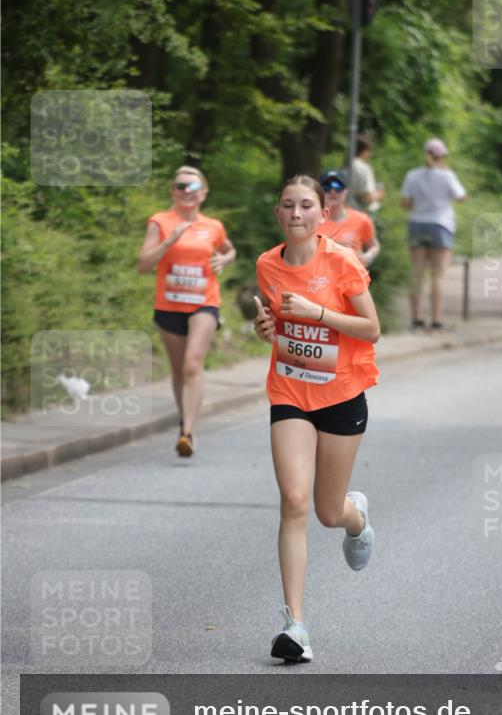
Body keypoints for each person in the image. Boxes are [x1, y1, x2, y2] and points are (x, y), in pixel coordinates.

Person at [253, 175, 380, 662]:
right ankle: (295, 625)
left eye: (307, 205)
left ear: (321, 215)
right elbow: (274, 324)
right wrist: (264, 325)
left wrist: (318, 313)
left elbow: (371, 329)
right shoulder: (268, 264)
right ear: (279, 214)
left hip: (342, 394)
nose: (297, 213)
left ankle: (356, 517)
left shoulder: (341, 262)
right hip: (290, 391)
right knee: (293, 500)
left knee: (328, 512)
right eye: (288, 205)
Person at [138, 166, 236, 455]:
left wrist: (225, 259)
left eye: (193, 188)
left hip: (204, 303)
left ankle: (187, 433)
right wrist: (169, 241)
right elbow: (143, 265)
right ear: (173, 192)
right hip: (169, 305)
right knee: (180, 370)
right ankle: (185, 419)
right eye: (181, 187)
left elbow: (230, 249)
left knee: (193, 363)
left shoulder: (213, 226)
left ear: (203, 194)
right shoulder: (160, 222)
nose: (187, 193)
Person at [400, 137, 467, 331]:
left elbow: (405, 203)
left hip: (417, 224)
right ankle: (436, 320)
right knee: (437, 276)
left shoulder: (412, 175)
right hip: (441, 225)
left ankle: (416, 318)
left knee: (417, 274)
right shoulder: (447, 176)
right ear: (442, 156)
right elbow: (461, 197)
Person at [318, 169, 381, 269]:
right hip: (320, 278)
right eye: (327, 187)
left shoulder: (361, 219)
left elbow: (374, 245)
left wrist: (367, 257)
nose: (333, 191)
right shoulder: (311, 220)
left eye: (338, 187)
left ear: (346, 191)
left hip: (353, 277)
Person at [349, 134, 385, 219]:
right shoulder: (363, 168)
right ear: (364, 150)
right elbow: (367, 198)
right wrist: (380, 193)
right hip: (364, 213)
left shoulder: (346, 166)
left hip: (348, 210)